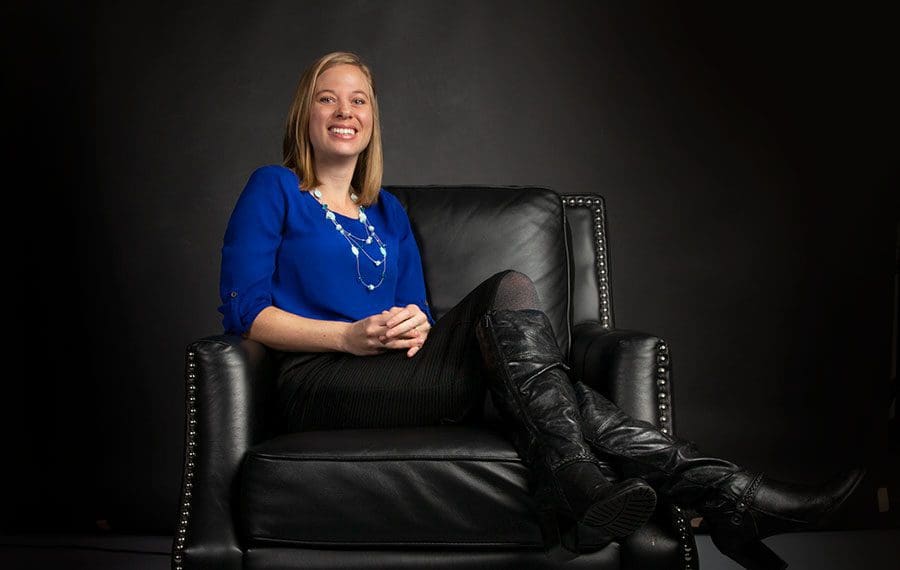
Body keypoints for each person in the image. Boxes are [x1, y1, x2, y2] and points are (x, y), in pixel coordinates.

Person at [217, 51, 864, 569]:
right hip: (317, 383)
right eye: (328, 97)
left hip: (400, 376)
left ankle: (692, 493)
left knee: (536, 373)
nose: (345, 111)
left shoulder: (389, 214)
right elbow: (245, 312)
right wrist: (349, 337)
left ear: (372, 119)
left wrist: (411, 325)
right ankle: (722, 495)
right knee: (509, 294)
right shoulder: (274, 188)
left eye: (359, 99)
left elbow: (418, 310)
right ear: (306, 112)